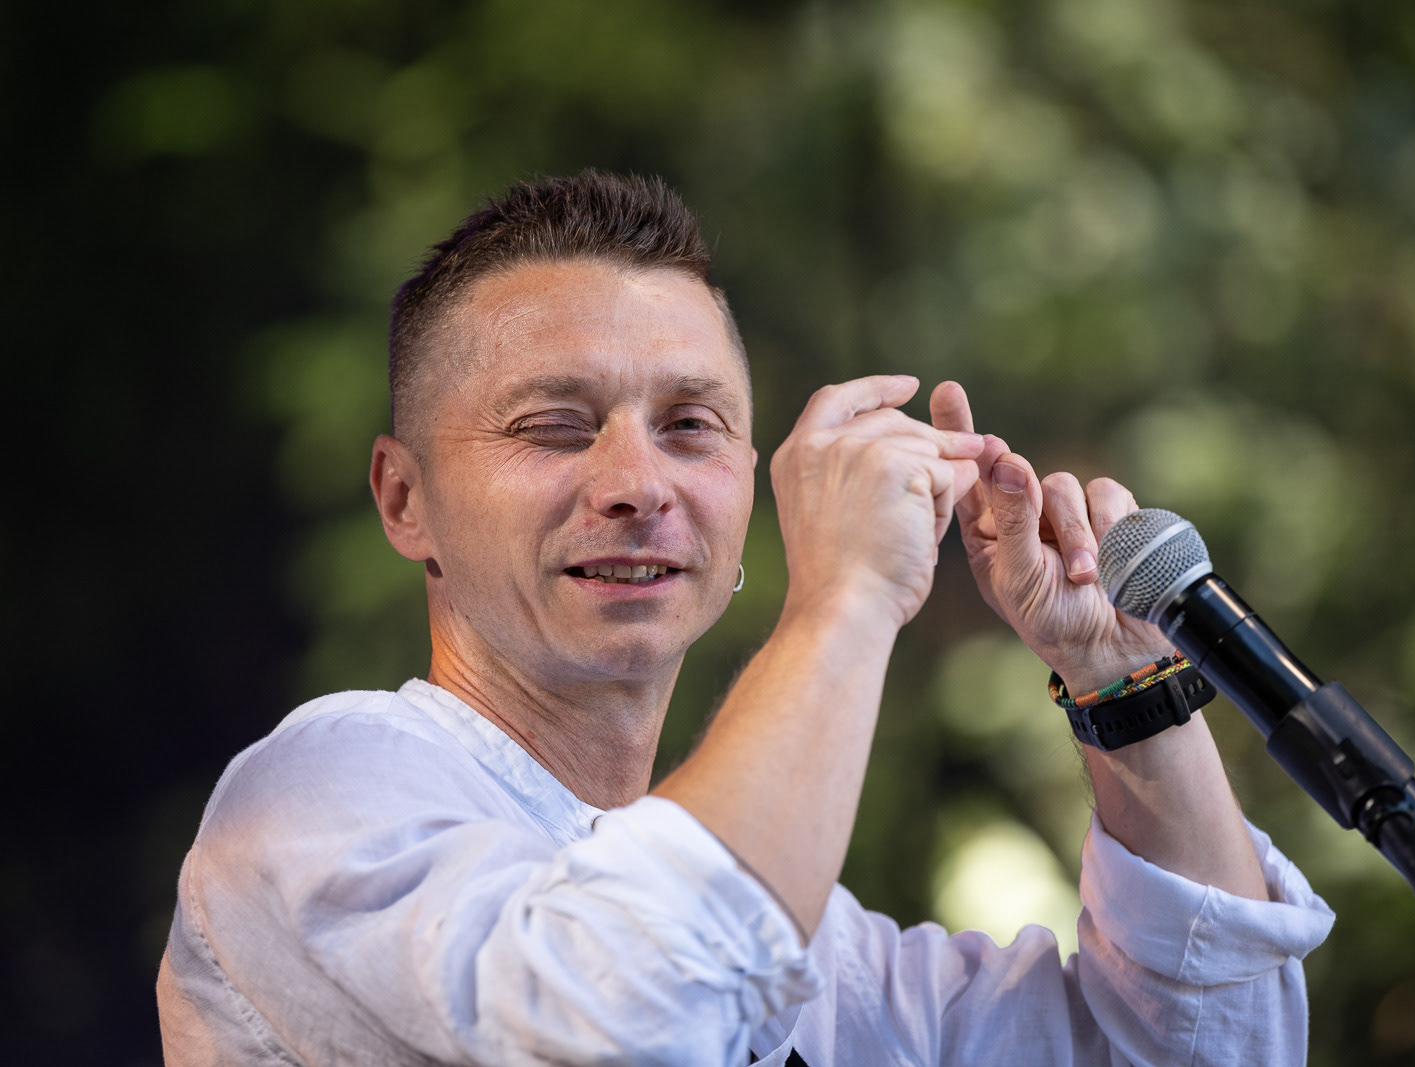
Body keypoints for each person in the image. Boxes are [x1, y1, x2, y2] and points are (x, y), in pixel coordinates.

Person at [157, 171, 1333, 1066]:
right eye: (555, 425)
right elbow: (627, 1016)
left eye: (691, 426)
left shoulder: (818, 950)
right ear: (402, 498)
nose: (637, 483)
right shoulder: (321, 795)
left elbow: (1206, 1049)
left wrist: (1127, 692)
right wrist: (845, 595)